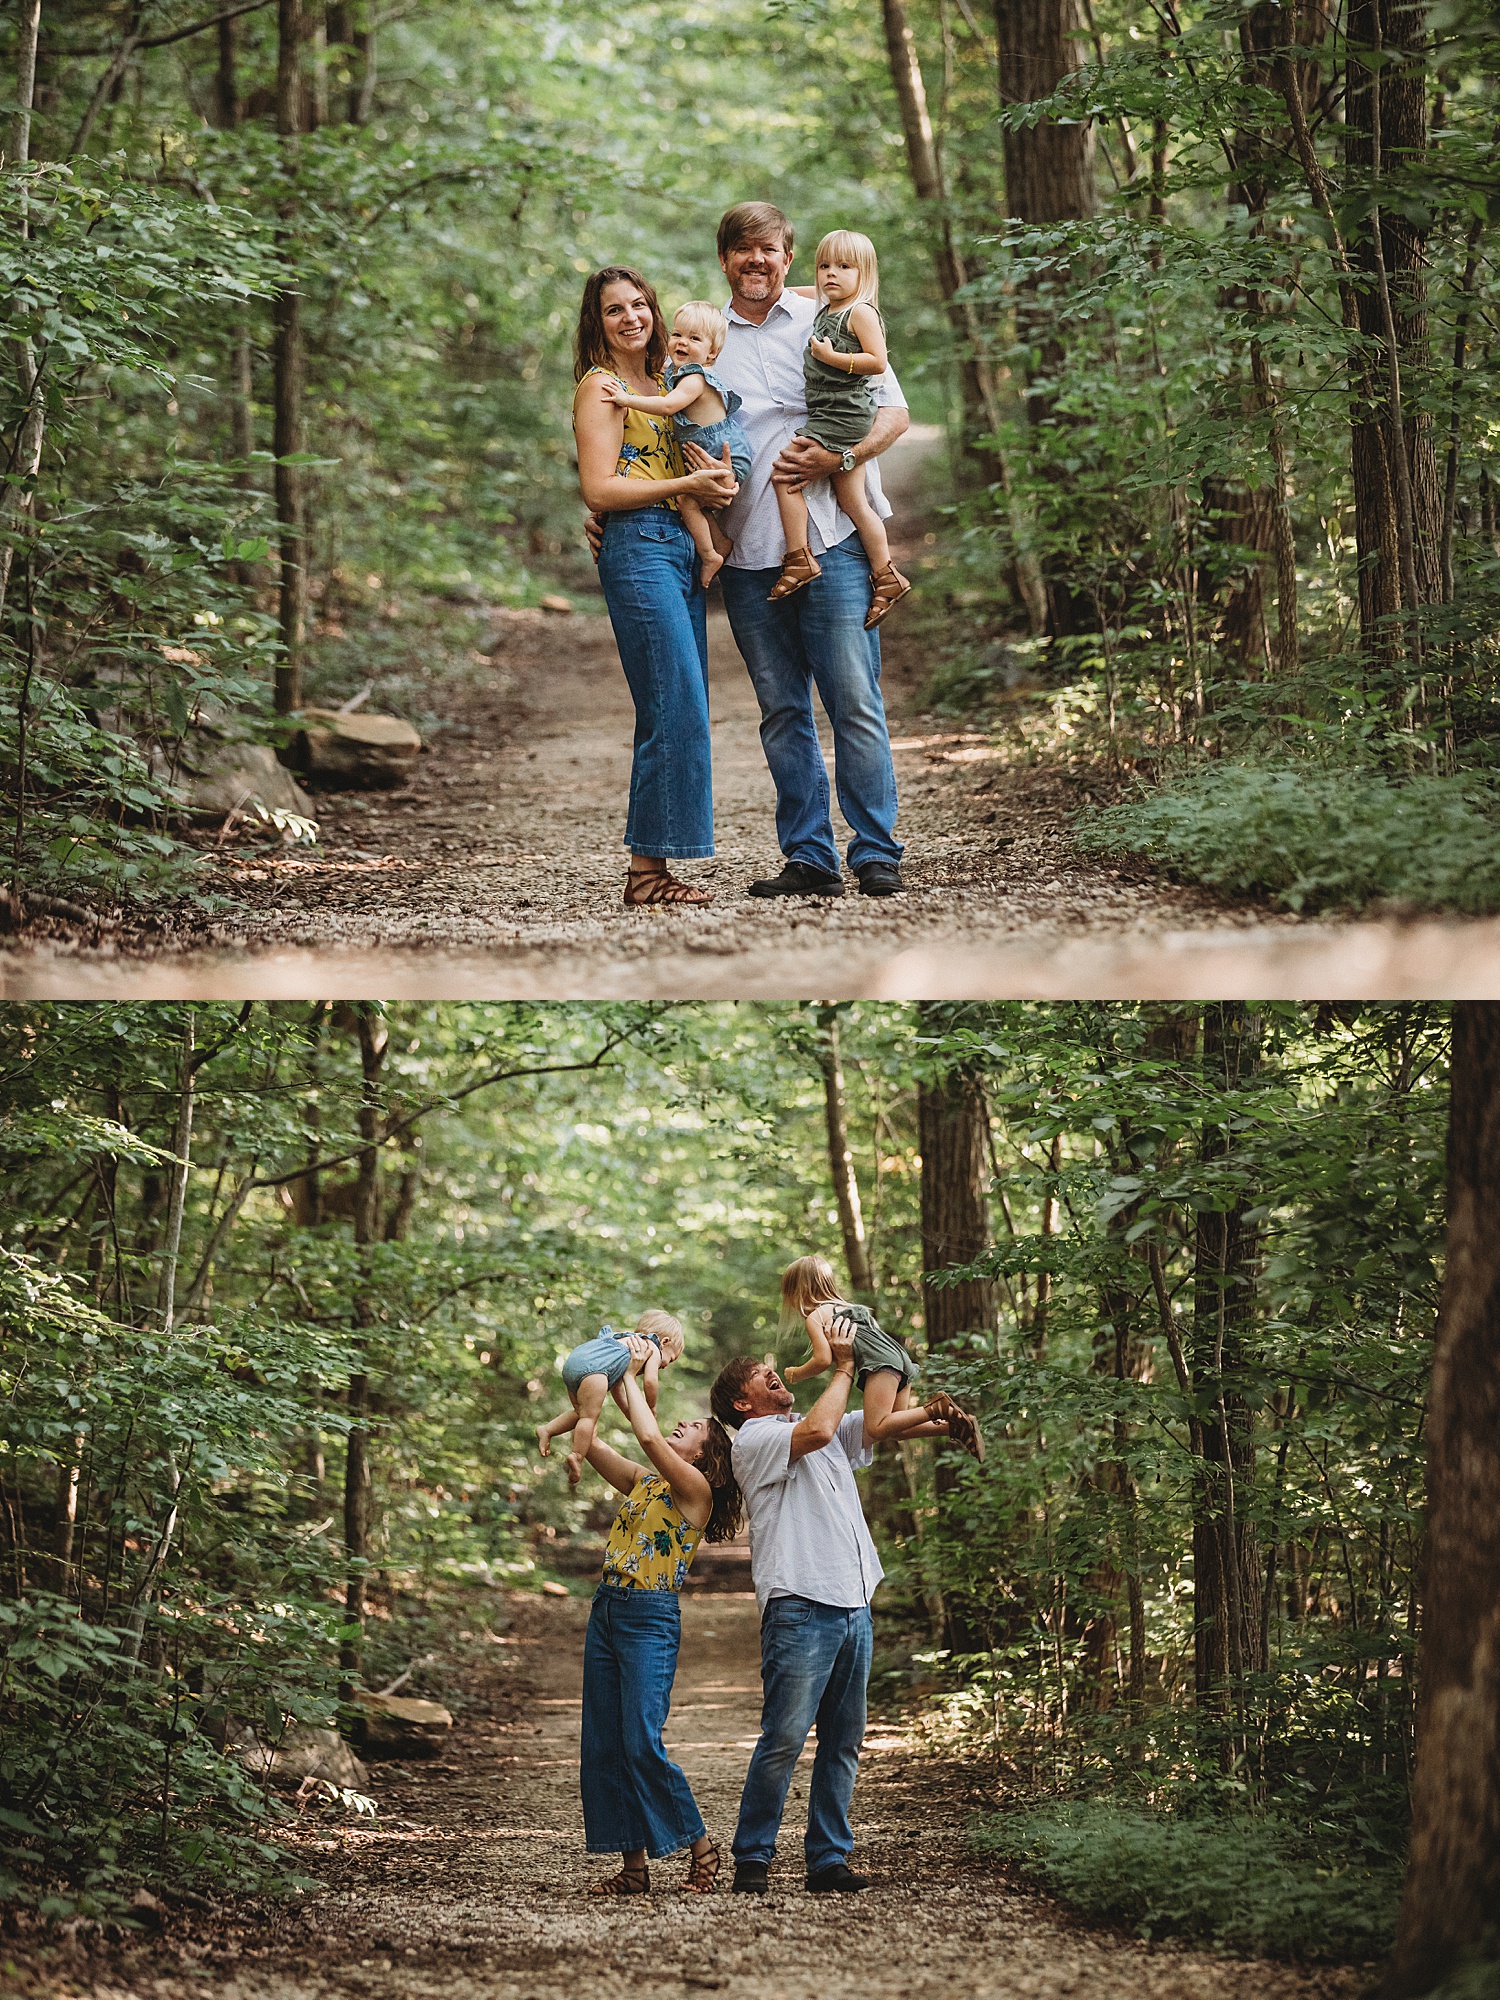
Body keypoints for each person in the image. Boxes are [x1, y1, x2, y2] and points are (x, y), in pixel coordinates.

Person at [709, 1320, 963, 1895]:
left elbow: (883, 1425)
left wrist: (894, 1366)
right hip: (800, 1604)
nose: (775, 1374)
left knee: (844, 1742)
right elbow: (824, 1430)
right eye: (761, 1376)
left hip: (854, 1603)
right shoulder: (758, 1441)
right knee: (784, 1738)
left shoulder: (812, 1427)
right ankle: (753, 1859)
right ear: (742, 1402)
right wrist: (845, 1364)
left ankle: (828, 1861)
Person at [572, 265, 740, 909]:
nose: (631, 318)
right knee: (673, 705)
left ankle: (656, 865)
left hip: (678, 545)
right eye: (615, 310)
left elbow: (688, 456)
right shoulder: (603, 387)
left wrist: (714, 483)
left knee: (683, 704)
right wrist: (683, 490)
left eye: (639, 305)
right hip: (640, 547)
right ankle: (647, 873)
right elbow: (599, 490)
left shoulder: (667, 380)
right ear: (598, 322)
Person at [580, 1338, 742, 1895]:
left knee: (642, 1741)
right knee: (605, 1742)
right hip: (607, 1611)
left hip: (649, 1617)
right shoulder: (644, 1483)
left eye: (694, 1426)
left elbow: (648, 1433)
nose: (681, 1424)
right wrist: (607, 1370)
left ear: (706, 1453)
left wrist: (634, 1366)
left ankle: (701, 1847)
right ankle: (633, 1870)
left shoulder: (695, 1492)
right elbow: (610, 1434)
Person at [770, 232, 910, 630]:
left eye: (844, 267)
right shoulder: (826, 304)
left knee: (787, 474)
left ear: (863, 274)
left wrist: (835, 358)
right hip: (834, 412)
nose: (831, 274)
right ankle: (886, 575)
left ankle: (799, 558)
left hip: (841, 415)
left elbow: (878, 361)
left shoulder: (859, 312)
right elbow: (792, 294)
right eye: (824, 266)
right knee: (854, 502)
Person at [600, 300, 752, 589]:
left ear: (712, 352)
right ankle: (720, 541)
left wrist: (626, 398)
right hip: (710, 450)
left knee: (686, 500)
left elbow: (669, 406)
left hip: (721, 453)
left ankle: (710, 555)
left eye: (695, 338)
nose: (683, 343)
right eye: (678, 334)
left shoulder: (695, 378)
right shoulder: (678, 372)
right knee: (695, 499)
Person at [779, 1253, 983, 1456]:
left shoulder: (816, 1316)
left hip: (882, 1364)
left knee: (875, 1428)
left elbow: (822, 1360)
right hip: (900, 1358)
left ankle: (936, 1408)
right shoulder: (855, 1309)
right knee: (897, 1429)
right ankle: (956, 1425)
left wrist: (797, 1373)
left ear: (799, 1291)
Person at [536, 1309, 685, 1485]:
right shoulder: (651, 1347)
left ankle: (548, 1429)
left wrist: (630, 1413)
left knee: (581, 1412)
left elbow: (616, 1390)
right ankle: (577, 1455)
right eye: (671, 1358)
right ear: (665, 1342)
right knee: (589, 1418)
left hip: (576, 1360)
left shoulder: (624, 1345)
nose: (666, 1365)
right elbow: (650, 1382)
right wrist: (650, 1407)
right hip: (593, 1369)